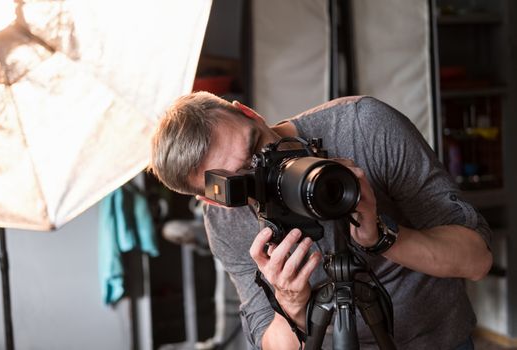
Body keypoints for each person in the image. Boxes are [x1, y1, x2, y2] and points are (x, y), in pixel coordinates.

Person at [149, 91, 492, 349]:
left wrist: (383, 237)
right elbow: (271, 343)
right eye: (243, 180)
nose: (264, 168)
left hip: (437, 340)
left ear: (249, 113)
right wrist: (289, 305)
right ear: (213, 198)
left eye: (258, 146)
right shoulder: (224, 221)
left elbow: (477, 261)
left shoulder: (363, 125)